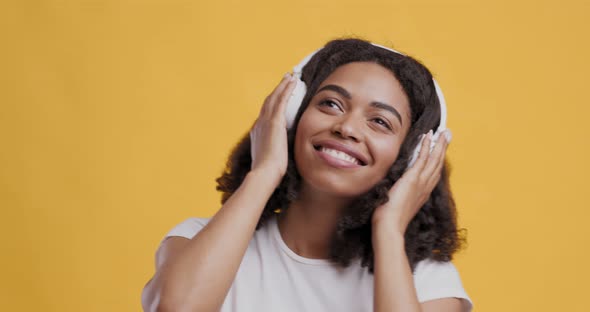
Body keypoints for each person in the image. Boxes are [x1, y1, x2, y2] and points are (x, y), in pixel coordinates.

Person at [141, 37, 473, 312]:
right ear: (290, 116)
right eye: (330, 104)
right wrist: (264, 172)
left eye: (380, 121)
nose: (346, 128)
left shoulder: (427, 282)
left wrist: (388, 230)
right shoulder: (198, 239)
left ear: (413, 157)